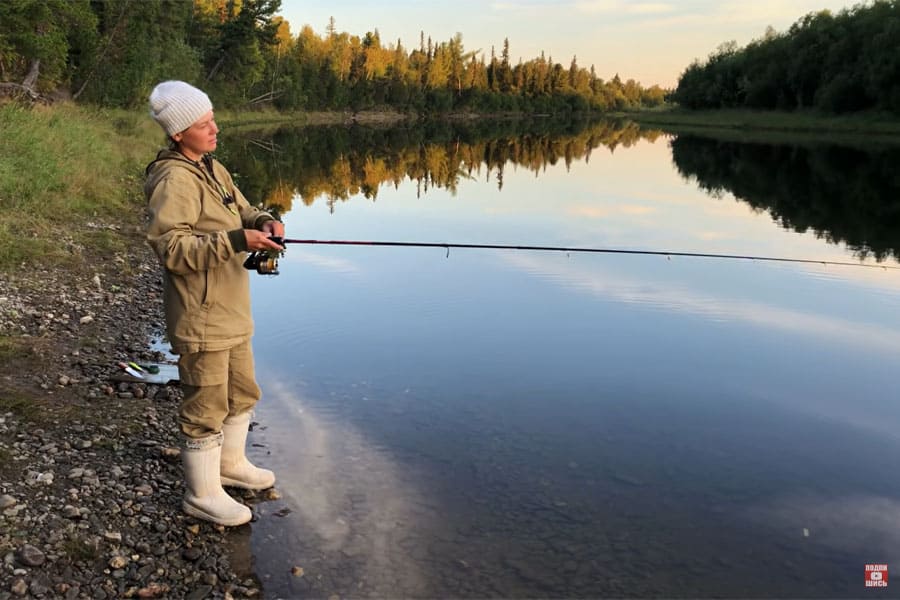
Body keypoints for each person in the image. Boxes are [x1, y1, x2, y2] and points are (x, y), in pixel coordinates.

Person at [144, 80, 284, 526]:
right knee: (205, 407)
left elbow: (242, 211)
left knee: (243, 392)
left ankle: (230, 464)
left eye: (212, 120)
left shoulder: (211, 167)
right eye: (204, 124)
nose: (214, 129)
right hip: (200, 316)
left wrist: (265, 221)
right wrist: (237, 240)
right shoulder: (173, 179)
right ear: (179, 132)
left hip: (232, 309)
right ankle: (202, 495)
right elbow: (173, 250)